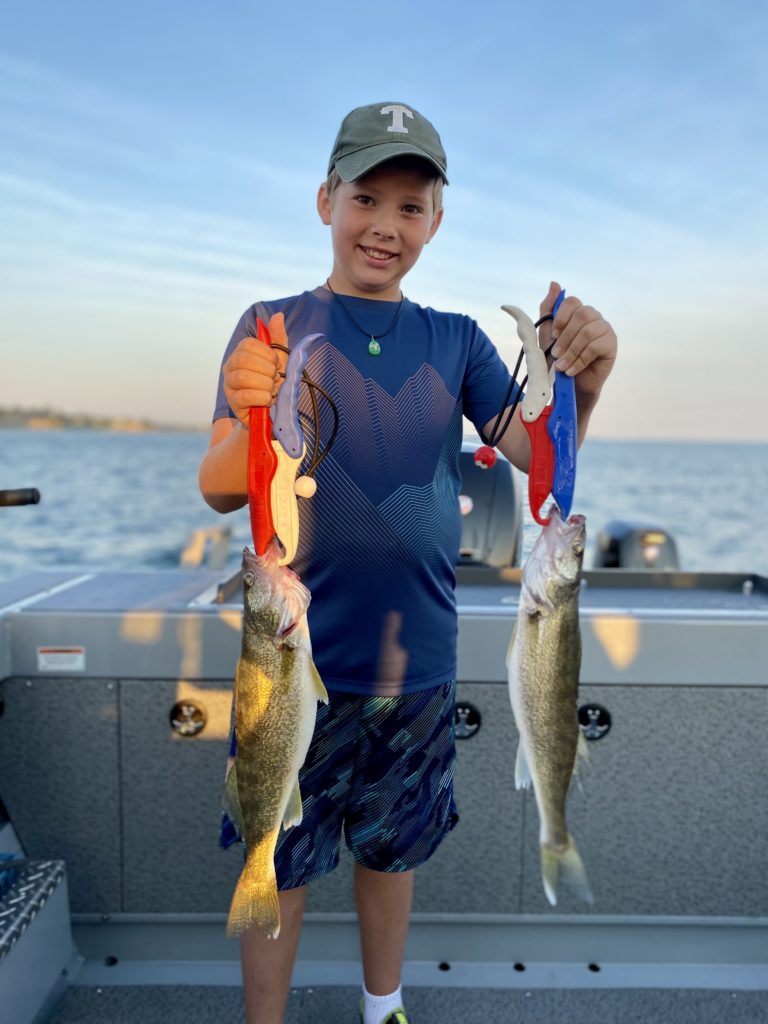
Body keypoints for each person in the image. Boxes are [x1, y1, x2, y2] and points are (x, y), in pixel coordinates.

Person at [199, 101, 617, 1024]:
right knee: (283, 856)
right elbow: (220, 486)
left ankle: (382, 1006)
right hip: (291, 660)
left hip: (417, 661)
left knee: (393, 856)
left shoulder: (461, 340)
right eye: (366, 197)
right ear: (324, 201)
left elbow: (542, 465)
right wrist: (251, 406)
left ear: (435, 223)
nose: (385, 225)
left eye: (411, 207)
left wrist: (588, 380)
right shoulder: (270, 325)